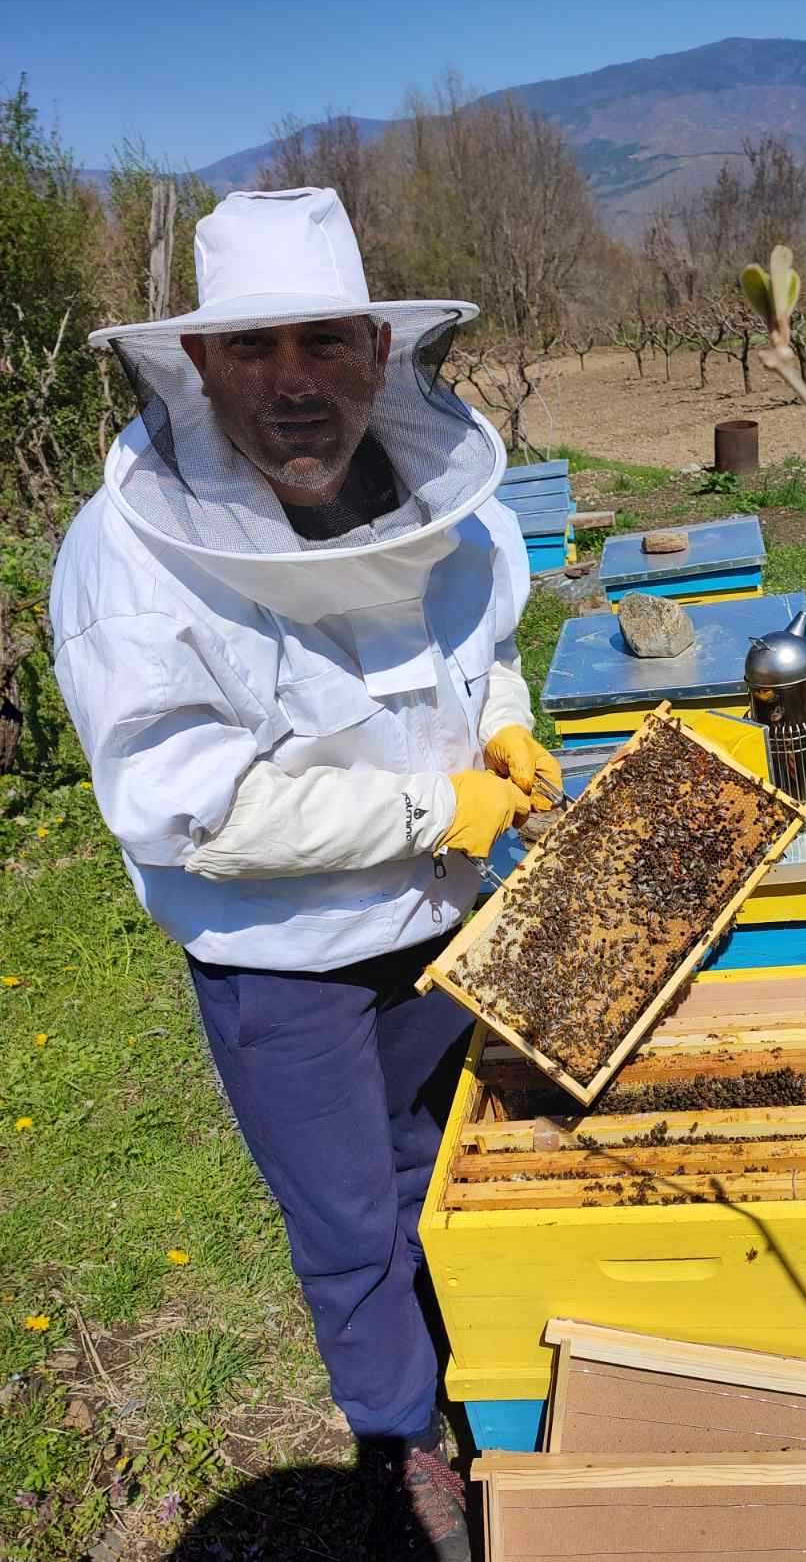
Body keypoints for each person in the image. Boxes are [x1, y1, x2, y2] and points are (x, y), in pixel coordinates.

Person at [50, 187, 562, 1561]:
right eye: (257, 350)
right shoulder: (126, 566)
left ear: (378, 354)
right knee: (349, 1227)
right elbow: (185, 807)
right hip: (287, 971)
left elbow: (480, 636)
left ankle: (491, 1377)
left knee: (450, 1176)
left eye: (325, 343)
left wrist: (503, 720)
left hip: (446, 922)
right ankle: (402, 1446)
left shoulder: (439, 499)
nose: (294, 383)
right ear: (199, 363)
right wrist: (426, 800)